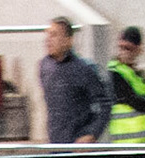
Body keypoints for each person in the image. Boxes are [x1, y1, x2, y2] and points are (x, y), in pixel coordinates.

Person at [39, 16, 110, 145]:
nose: (48, 40)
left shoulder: (84, 69)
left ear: (68, 40)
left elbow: (104, 104)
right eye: (48, 35)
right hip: (55, 145)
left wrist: (91, 134)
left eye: (54, 35)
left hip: (78, 147)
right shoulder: (44, 66)